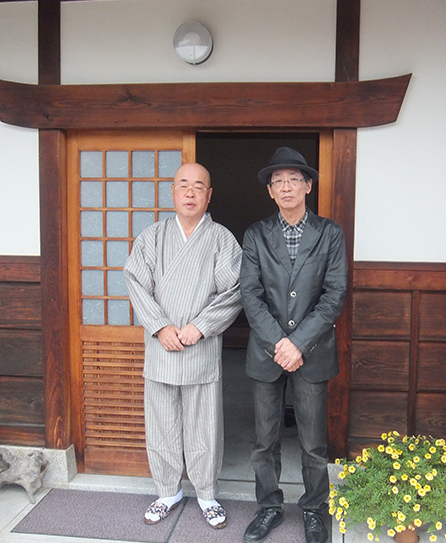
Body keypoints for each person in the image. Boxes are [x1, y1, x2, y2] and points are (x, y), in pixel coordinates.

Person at [123, 162, 242, 530]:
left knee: (203, 422)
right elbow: (135, 283)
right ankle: (167, 491)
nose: (190, 193)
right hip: (161, 346)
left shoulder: (222, 238)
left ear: (209, 196)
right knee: (161, 421)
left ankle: (206, 493)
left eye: (198, 187)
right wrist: (160, 327)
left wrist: (200, 327)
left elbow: (234, 290)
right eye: (183, 186)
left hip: (200, 346)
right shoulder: (152, 236)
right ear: (173, 193)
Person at [240, 147, 348, 543]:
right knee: (263, 440)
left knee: (313, 441)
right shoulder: (255, 234)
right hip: (266, 352)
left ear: (308, 185)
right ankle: (268, 507)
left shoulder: (330, 233)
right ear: (270, 191)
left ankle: (315, 509)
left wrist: (298, 342)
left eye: (293, 179)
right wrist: (278, 343)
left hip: (312, 351)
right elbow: (249, 295)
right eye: (278, 181)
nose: (286, 187)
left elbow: (334, 293)